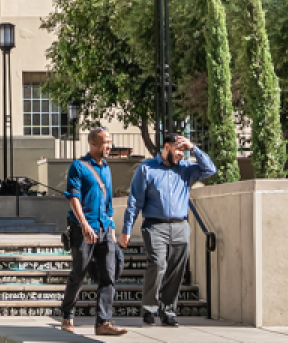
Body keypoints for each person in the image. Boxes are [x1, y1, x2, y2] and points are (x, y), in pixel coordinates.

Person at [121, 131, 216, 327]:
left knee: (176, 270)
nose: (182, 154)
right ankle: (149, 308)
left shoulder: (187, 169)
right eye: (179, 149)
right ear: (166, 147)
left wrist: (193, 148)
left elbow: (210, 170)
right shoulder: (146, 168)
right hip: (155, 225)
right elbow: (134, 201)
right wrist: (127, 228)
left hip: (181, 226)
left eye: (184, 150)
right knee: (158, 264)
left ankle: (168, 311)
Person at [60, 127, 127, 336]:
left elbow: (107, 203)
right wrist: (84, 225)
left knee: (109, 275)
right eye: (105, 142)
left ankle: (103, 322)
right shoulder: (78, 167)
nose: (109, 146)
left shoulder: (107, 168)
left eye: (110, 141)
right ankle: (67, 314)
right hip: (84, 230)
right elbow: (74, 198)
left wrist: (112, 228)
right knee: (79, 273)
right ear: (93, 144)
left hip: (104, 229)